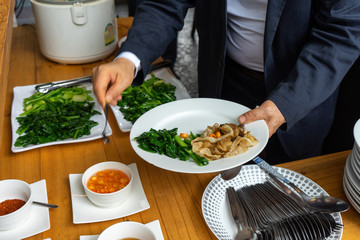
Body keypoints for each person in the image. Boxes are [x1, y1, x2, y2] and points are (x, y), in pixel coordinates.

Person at [92, 0, 360, 164]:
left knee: (289, 194)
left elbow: (341, 32)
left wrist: (284, 104)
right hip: (225, 82)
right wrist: (129, 59)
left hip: (300, 95)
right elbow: (165, 3)